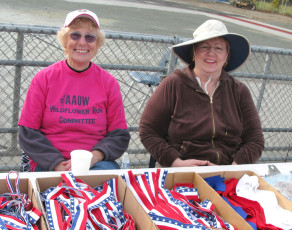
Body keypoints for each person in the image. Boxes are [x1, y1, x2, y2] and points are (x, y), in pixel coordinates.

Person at [139, 19, 264, 167]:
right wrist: (175, 162)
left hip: (227, 172)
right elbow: (148, 131)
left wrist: (233, 168)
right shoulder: (173, 85)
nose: (211, 53)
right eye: (204, 46)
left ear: (226, 56)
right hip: (181, 172)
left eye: (218, 48)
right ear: (194, 52)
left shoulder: (239, 91)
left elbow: (255, 140)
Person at [18, 9, 130, 172]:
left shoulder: (109, 83)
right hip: (49, 162)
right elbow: (28, 133)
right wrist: (56, 164)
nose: (82, 42)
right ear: (65, 40)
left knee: (106, 188)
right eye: (75, 35)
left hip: (95, 163)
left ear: (97, 43)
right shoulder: (44, 79)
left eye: (90, 37)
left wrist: (95, 156)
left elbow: (119, 136)